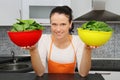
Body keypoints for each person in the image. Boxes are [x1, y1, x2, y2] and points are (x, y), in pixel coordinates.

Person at [25, 6, 97, 77]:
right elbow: (40, 73)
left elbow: (83, 73)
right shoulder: (44, 40)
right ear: (50, 24)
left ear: (70, 24)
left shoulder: (78, 41)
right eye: (54, 24)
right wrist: (33, 50)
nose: (58, 29)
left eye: (63, 24)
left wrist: (87, 50)